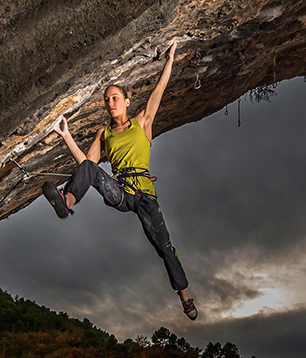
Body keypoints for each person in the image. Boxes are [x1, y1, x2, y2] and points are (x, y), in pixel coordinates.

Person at [42, 40, 197, 320]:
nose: (110, 103)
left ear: (127, 101)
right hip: (121, 193)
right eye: (107, 100)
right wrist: (66, 135)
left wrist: (170, 60)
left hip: (146, 196)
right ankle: (66, 202)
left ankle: (184, 296)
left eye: (115, 98)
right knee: (90, 168)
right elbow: (86, 166)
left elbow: (159, 91)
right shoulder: (105, 134)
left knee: (165, 248)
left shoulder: (142, 123)